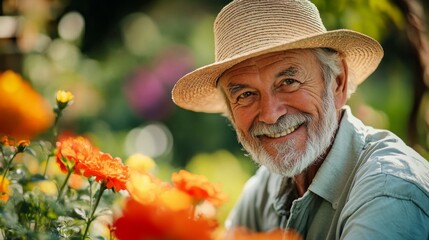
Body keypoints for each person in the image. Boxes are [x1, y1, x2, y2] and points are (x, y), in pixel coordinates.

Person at [172, 0, 429, 239]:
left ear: (337, 82)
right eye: (246, 94)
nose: (270, 114)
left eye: (288, 82)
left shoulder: (390, 192)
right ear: (230, 109)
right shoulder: (267, 186)